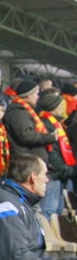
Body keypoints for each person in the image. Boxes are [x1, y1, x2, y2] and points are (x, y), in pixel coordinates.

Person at [36, 88, 74, 217]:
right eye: (60, 105)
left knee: (57, 210)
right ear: (54, 107)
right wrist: (64, 169)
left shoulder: (56, 123)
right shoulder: (47, 124)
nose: (62, 108)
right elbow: (52, 150)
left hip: (58, 174)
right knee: (48, 209)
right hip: (53, 173)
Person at [3, 79, 56, 162]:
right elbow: (26, 136)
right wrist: (49, 137)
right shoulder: (18, 112)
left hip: (31, 160)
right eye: (36, 94)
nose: (38, 97)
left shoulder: (25, 110)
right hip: (25, 162)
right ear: (28, 95)